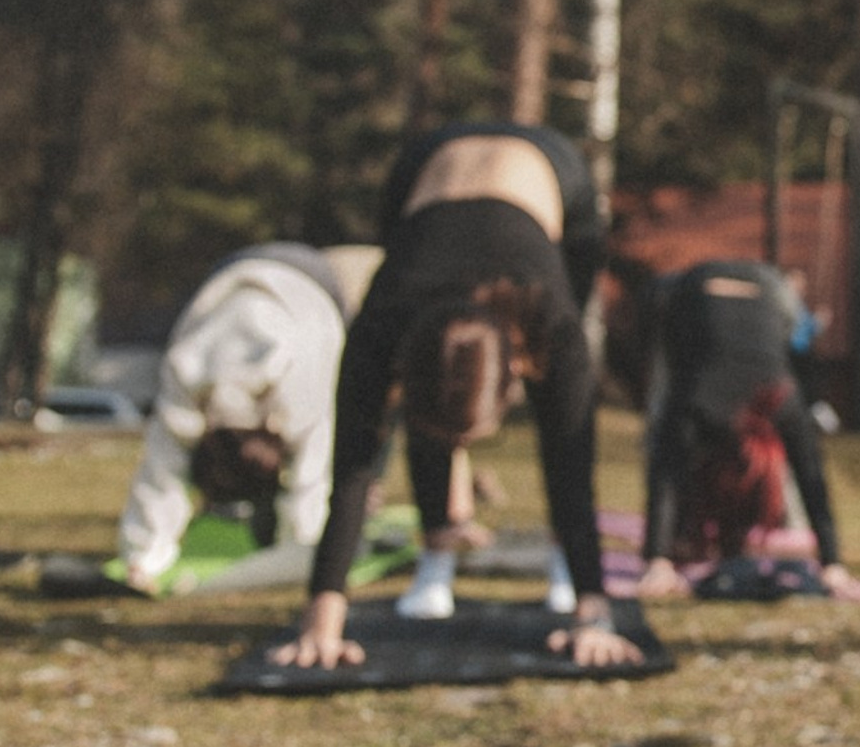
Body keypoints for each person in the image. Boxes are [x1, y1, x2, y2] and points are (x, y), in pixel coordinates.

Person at [270, 122, 640, 671]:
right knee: (435, 400)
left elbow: (572, 458)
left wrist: (594, 615)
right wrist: (321, 624)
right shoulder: (381, 322)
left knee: (565, 416)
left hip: (552, 168)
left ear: (516, 370)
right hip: (426, 168)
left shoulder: (549, 317)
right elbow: (352, 470)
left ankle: (569, 573)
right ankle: (435, 560)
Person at [117, 244, 353, 591]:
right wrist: (141, 560)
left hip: (316, 286)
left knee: (358, 408)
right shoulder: (187, 370)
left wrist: (303, 547)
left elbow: (313, 470)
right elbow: (161, 468)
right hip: (233, 272)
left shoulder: (298, 388)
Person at [635, 259, 856, 596]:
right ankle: (671, 543)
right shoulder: (766, 402)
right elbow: (812, 477)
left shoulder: (775, 400)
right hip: (691, 291)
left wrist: (657, 561)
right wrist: (832, 564)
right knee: (666, 426)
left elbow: (666, 472)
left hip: (757, 291)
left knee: (668, 433)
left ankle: (671, 544)